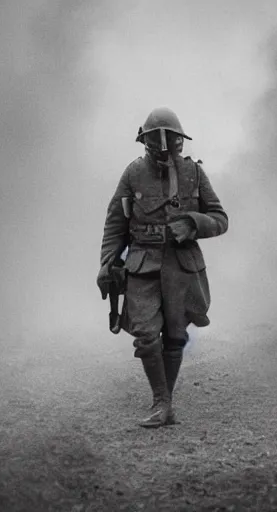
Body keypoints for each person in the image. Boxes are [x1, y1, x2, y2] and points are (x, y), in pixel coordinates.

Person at [97, 107, 229, 428]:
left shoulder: (193, 175)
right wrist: (106, 264)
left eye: (170, 140)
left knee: (175, 336)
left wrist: (193, 223)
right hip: (142, 264)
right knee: (145, 335)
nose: (164, 147)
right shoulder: (132, 174)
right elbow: (115, 224)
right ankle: (161, 401)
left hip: (181, 265)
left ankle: (163, 404)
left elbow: (220, 220)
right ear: (145, 142)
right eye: (155, 141)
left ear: (180, 141)